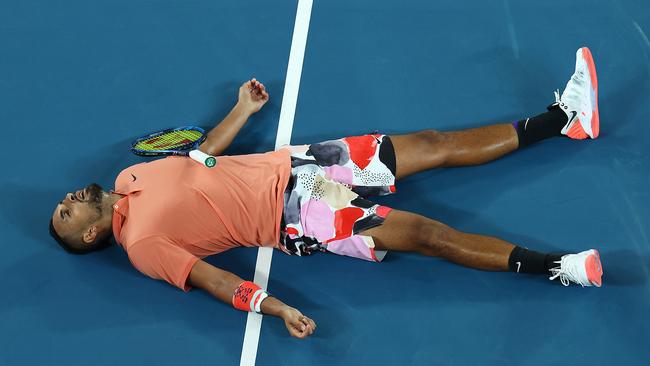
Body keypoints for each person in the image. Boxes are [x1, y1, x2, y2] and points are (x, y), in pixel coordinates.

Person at [49, 47, 603, 339]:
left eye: (63, 202)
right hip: (298, 216)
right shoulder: (143, 245)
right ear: (92, 233)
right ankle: (559, 267)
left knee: (433, 142)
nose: (68, 200)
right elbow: (213, 278)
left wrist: (242, 109)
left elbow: (202, 159)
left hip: (305, 164)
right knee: (427, 235)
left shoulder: (128, 177)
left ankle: (564, 119)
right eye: (65, 215)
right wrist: (277, 307)